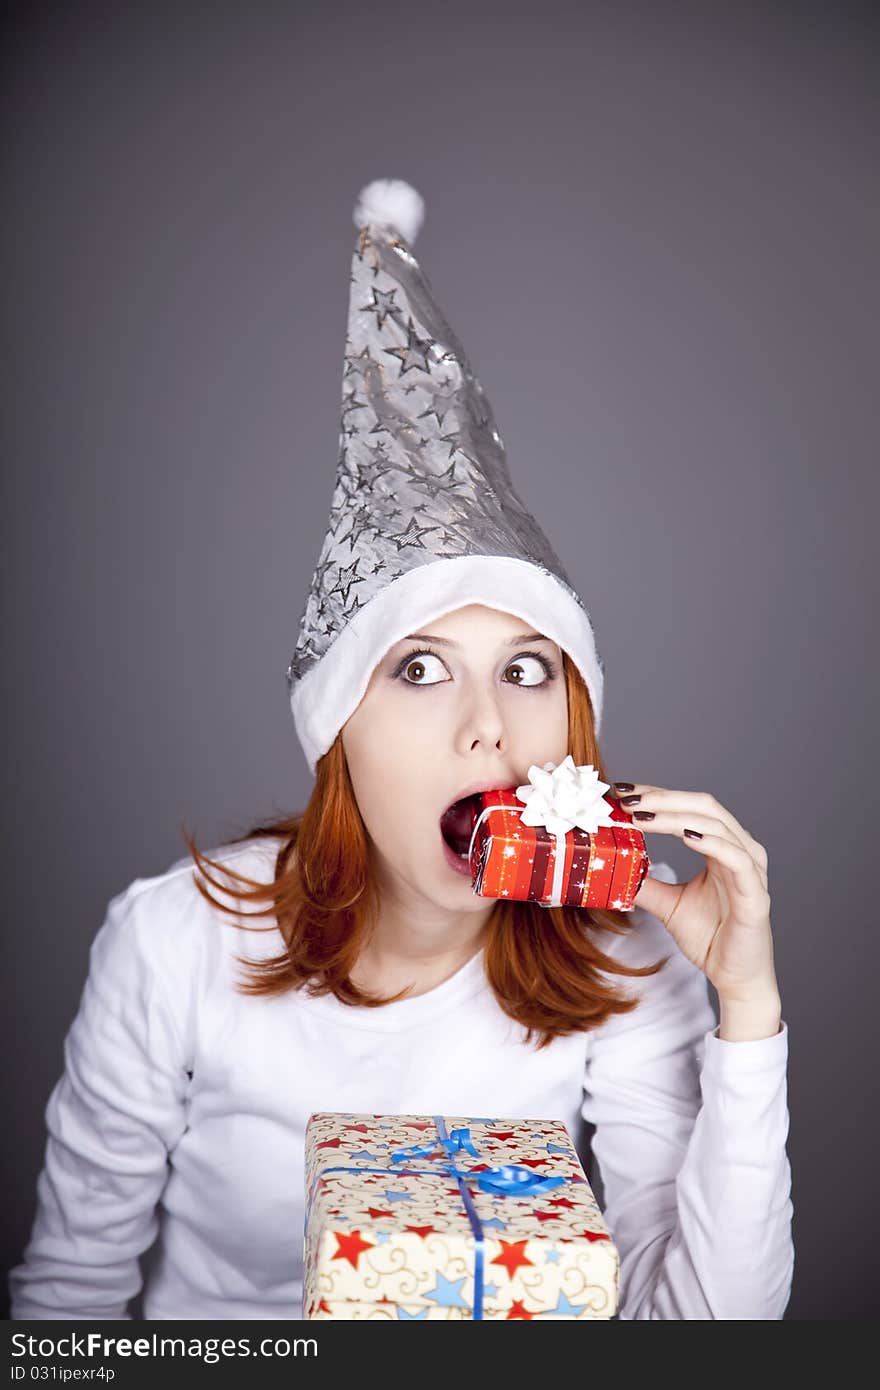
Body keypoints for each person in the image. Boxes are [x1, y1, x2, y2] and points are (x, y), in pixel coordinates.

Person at [9, 180, 794, 1321]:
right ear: (337, 732)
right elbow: (67, 1311)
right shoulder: (171, 942)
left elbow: (705, 1340)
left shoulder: (629, 961)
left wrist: (746, 1007)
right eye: (418, 669)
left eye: (527, 669)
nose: (488, 725)